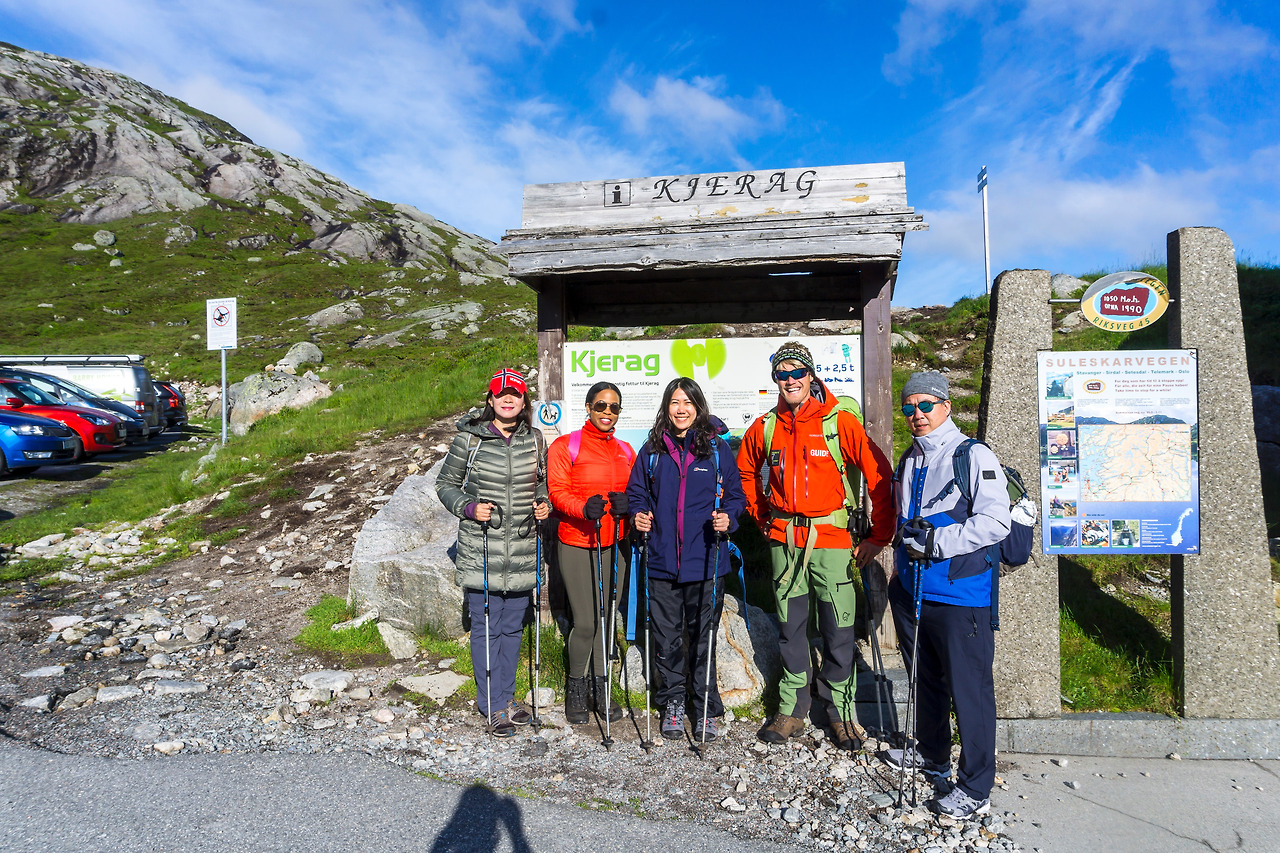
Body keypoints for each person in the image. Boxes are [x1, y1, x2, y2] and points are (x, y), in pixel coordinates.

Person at [737, 341, 895, 750]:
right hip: (785, 542)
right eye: (782, 374)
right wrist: (762, 518)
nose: (789, 380)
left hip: (833, 540)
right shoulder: (765, 427)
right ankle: (791, 710)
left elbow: (879, 475)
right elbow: (744, 473)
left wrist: (879, 536)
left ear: (811, 376)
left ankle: (841, 714)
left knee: (838, 629)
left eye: (796, 373)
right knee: (791, 631)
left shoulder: (838, 421)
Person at [883, 370, 1011, 819]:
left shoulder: (972, 455)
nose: (916, 415)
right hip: (914, 590)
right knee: (926, 679)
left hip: (961, 595)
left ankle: (976, 787)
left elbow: (997, 522)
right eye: (909, 407)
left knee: (970, 693)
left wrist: (937, 542)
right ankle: (932, 754)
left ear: (946, 406)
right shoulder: (910, 458)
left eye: (925, 405)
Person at [626, 377, 747, 742]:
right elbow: (637, 493)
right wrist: (638, 515)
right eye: (675, 402)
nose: (681, 409)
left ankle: (706, 707)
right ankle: (673, 702)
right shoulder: (651, 451)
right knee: (666, 638)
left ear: (699, 407)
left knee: (703, 636)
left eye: (688, 403)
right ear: (666, 407)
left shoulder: (716, 449)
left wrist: (730, 517)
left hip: (707, 558)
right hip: (662, 559)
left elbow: (736, 496)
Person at [436, 368, 550, 737]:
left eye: (514, 394)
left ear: (523, 402)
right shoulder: (468, 441)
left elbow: (543, 484)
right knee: (487, 627)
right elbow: (445, 484)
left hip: (520, 545)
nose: (507, 399)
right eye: (500, 394)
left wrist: (544, 503)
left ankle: (505, 696)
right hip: (481, 546)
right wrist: (468, 508)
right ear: (490, 400)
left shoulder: (535, 440)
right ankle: (492, 706)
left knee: (513, 626)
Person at [547, 381, 634, 725]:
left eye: (614, 408)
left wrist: (630, 506)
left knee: (606, 618)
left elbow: (640, 491)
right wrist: (583, 508)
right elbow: (557, 491)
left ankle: (602, 688)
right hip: (577, 542)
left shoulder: (626, 450)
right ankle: (577, 687)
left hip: (615, 543)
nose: (607, 413)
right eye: (601, 406)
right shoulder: (566, 446)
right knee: (585, 621)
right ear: (587, 407)